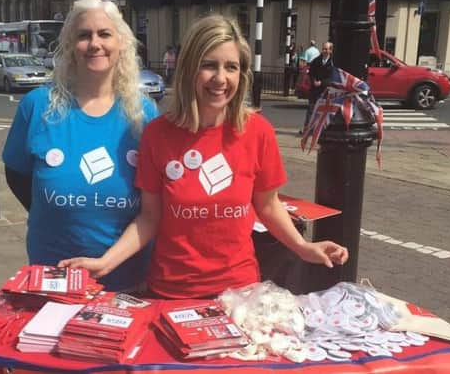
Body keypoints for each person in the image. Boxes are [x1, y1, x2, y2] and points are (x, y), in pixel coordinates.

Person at [59, 15, 348, 299]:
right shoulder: (158, 134)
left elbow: (269, 207)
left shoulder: (257, 131)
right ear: (190, 70)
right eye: (209, 65)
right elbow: (150, 217)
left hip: (240, 295)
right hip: (171, 294)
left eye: (231, 67)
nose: (220, 78)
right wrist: (105, 263)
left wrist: (303, 247)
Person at [1, 0, 159, 292]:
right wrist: (57, 212)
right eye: (84, 35)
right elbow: (17, 175)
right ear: (71, 46)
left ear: (122, 42)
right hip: (53, 275)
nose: (95, 43)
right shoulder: (37, 106)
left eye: (105, 34)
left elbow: (153, 203)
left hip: (128, 279)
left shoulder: (144, 114)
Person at [302, 41, 334, 132]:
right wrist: (314, 81)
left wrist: (322, 83)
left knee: (324, 111)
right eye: (323, 49)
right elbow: (311, 73)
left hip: (325, 90)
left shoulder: (332, 62)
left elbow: (332, 77)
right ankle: (307, 129)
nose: (324, 50)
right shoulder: (316, 60)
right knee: (311, 109)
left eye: (326, 49)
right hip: (315, 90)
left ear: (330, 51)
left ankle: (322, 129)